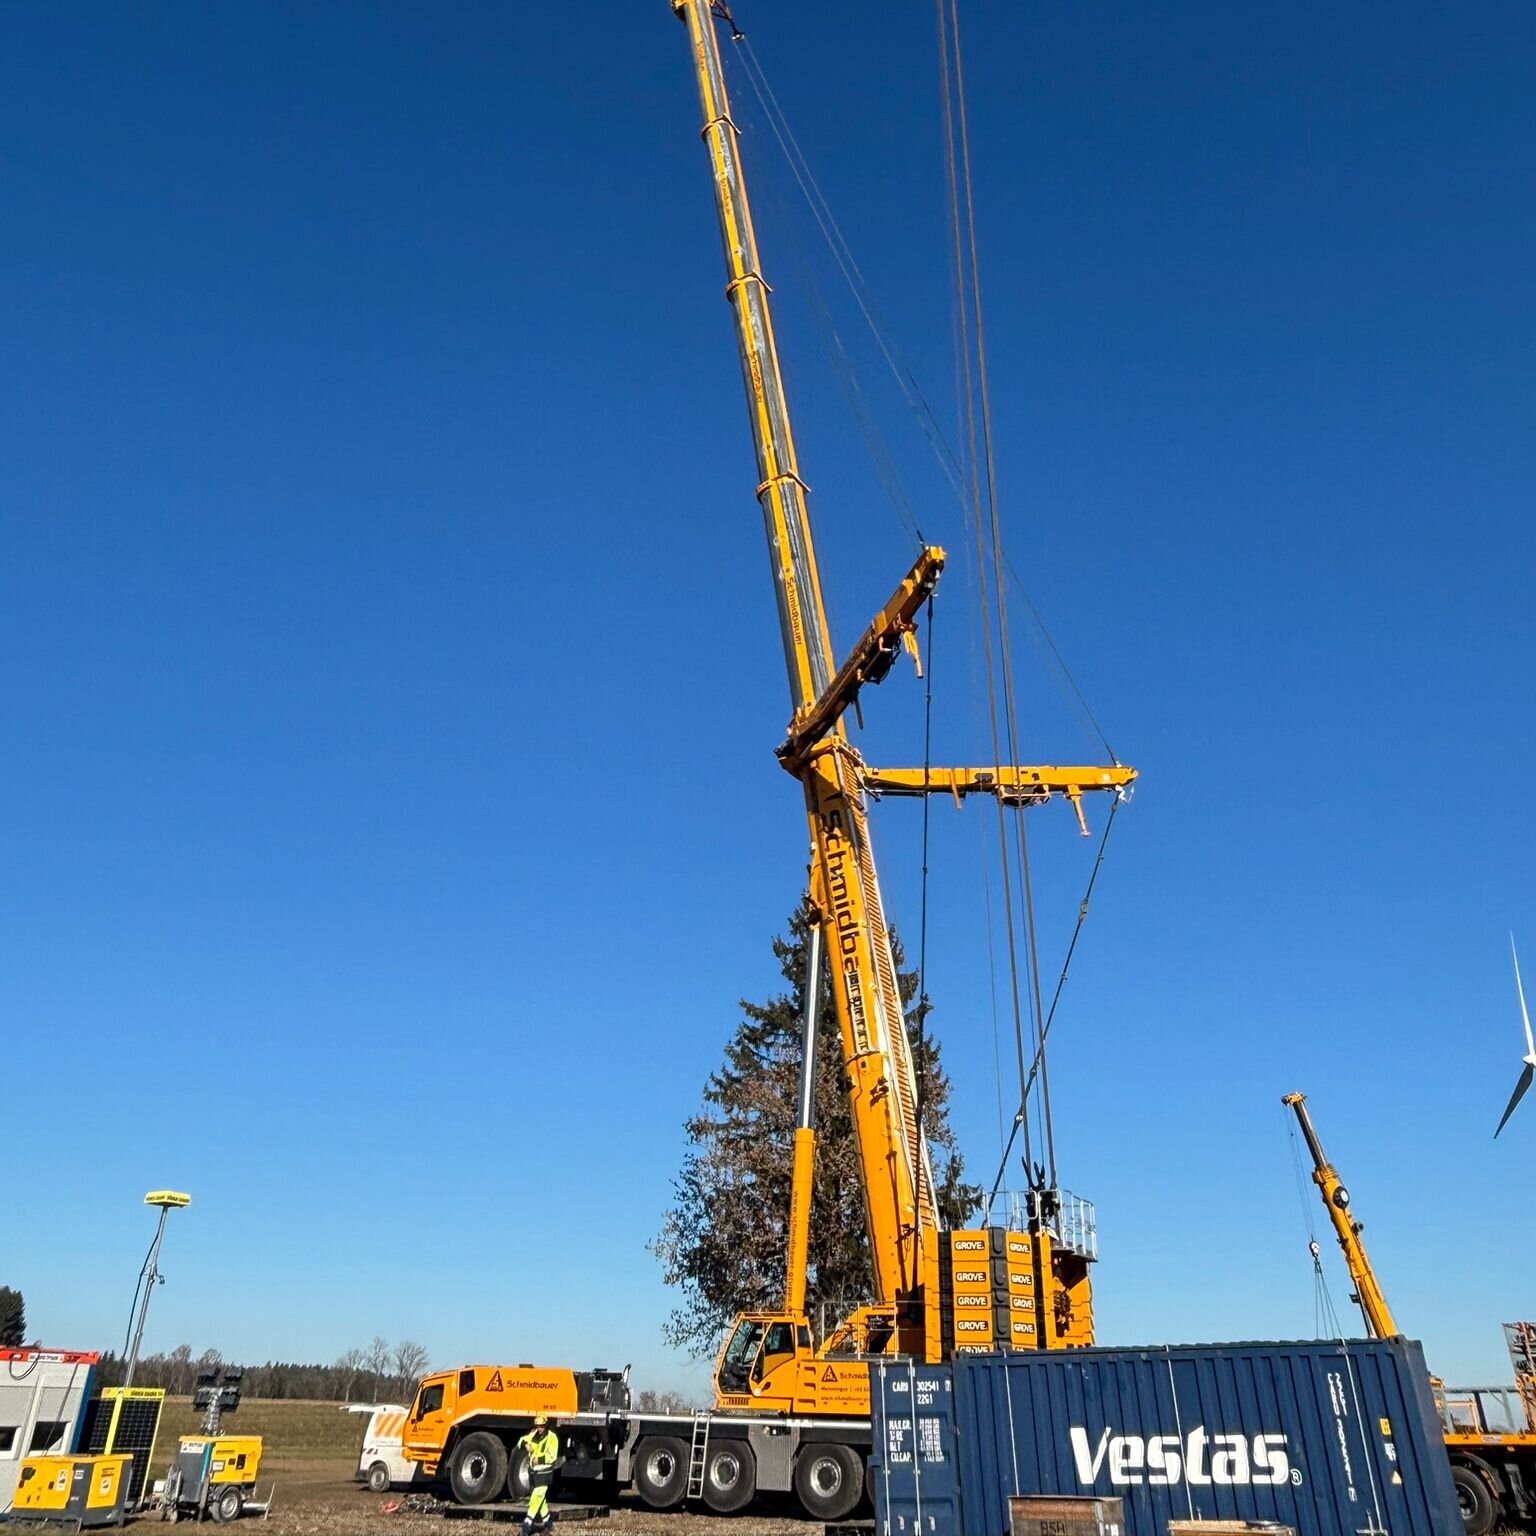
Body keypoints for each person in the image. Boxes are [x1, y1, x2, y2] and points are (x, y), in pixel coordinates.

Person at [518, 1414, 559, 1535]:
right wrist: (525, 1444)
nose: (539, 1428)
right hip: (533, 1472)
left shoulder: (552, 1438)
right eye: (537, 1426)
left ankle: (527, 1525)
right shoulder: (533, 1434)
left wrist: (539, 1460)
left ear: (546, 1425)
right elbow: (520, 1441)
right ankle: (548, 1523)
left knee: (536, 1498)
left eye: (541, 1426)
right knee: (540, 1500)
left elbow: (552, 1456)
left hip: (544, 1472)